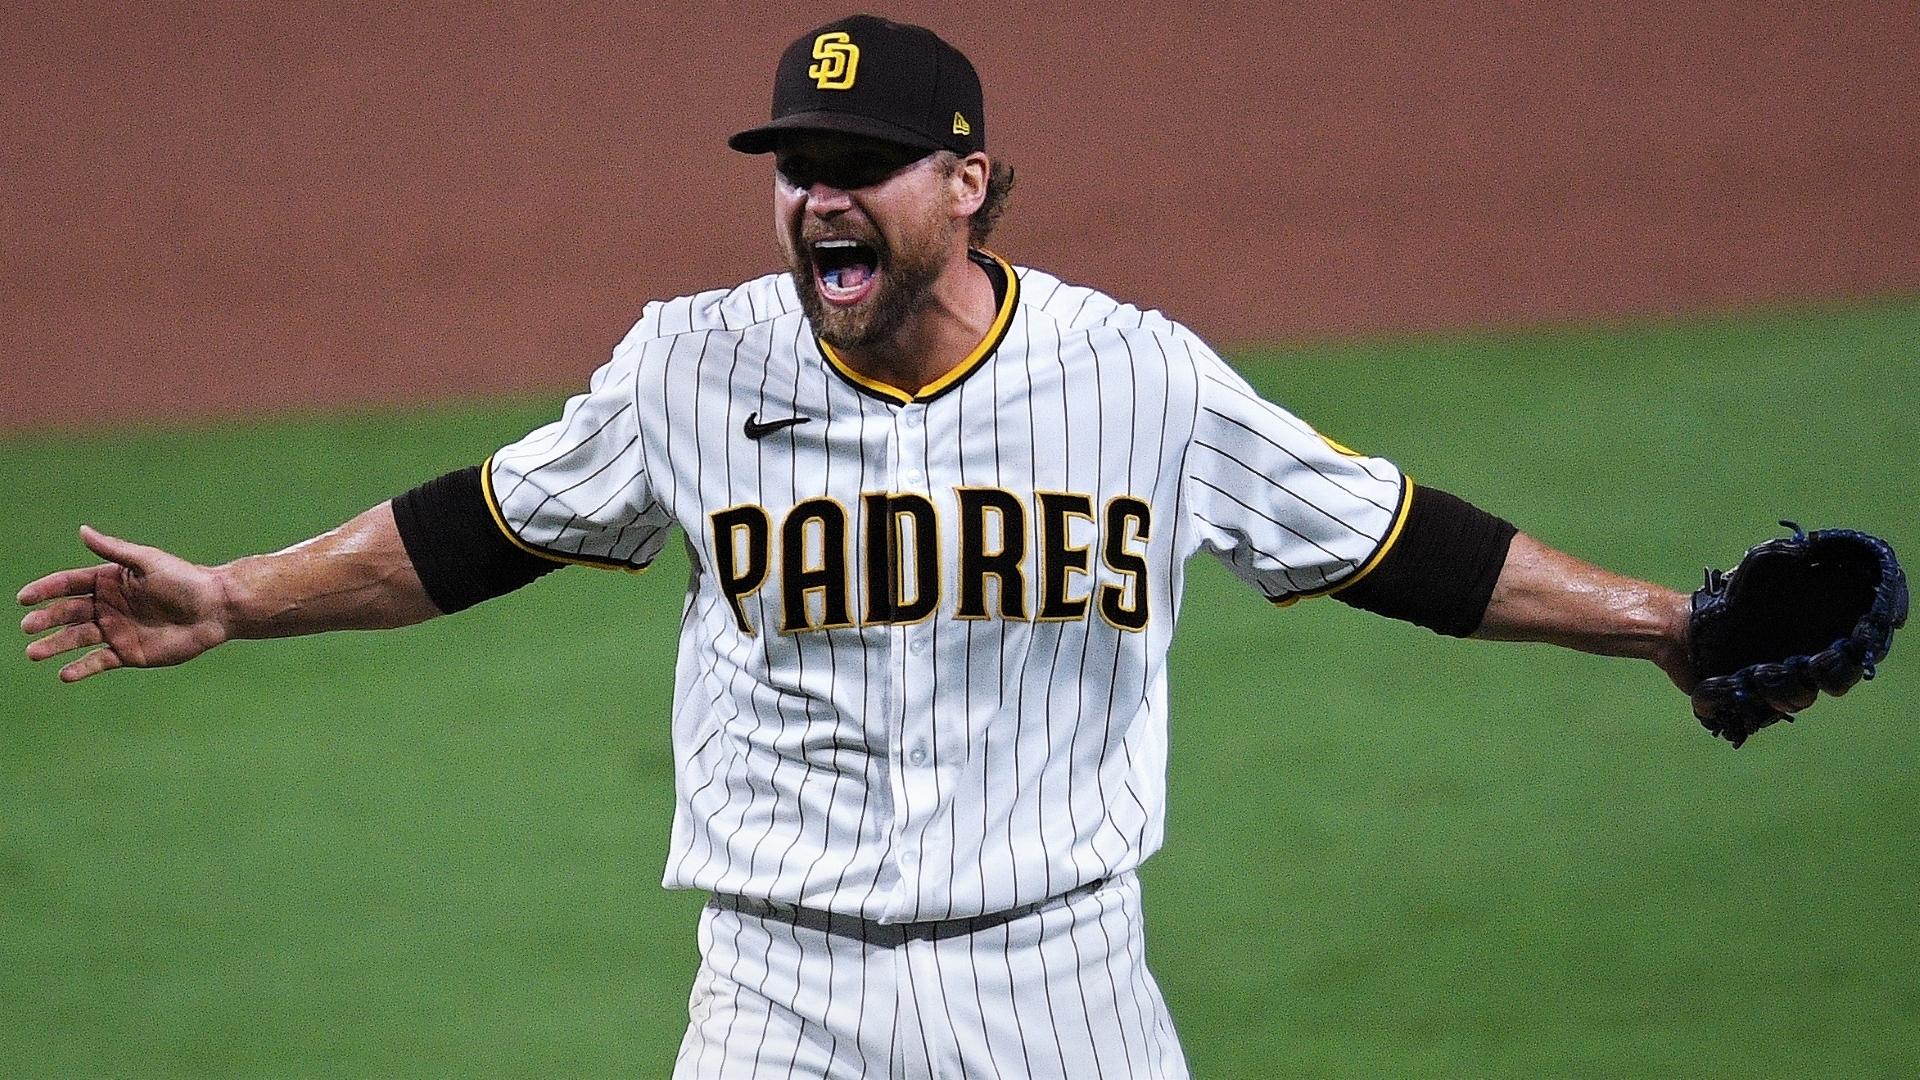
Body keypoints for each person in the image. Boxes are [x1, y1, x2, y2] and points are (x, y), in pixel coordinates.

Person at [17, 15, 1817, 1079]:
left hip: (1064, 985)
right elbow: (476, 530)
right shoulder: (691, 365)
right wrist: (237, 600)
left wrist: (1662, 623)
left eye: (862, 158)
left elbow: (1394, 540)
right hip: (775, 993)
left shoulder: (1141, 378)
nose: (819, 192)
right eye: (797, 158)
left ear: (965, 182)